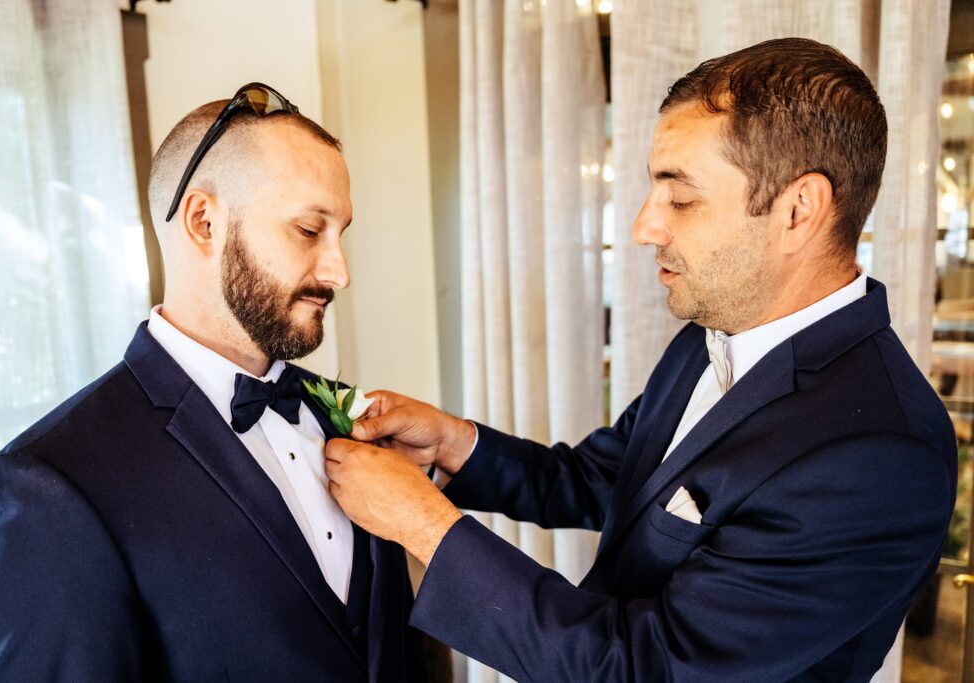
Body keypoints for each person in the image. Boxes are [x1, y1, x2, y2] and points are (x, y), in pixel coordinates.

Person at [324, 39, 958, 681]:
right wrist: (455, 445)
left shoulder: (881, 453)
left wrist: (425, 527)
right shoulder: (712, 333)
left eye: (680, 199)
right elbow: (610, 480)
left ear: (798, 212)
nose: (643, 227)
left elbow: (646, 668)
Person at [0, 83, 429, 681]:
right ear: (204, 222)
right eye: (309, 231)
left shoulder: (346, 421)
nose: (340, 272)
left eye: (342, 234)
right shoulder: (46, 487)